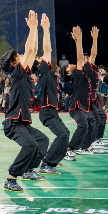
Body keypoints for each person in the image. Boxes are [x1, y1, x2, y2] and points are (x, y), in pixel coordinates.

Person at [0, 10, 49, 192]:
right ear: (14, 64)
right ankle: (11, 178)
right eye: (17, 57)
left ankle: (28, 170)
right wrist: (33, 27)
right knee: (30, 145)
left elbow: (33, 50)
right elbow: (31, 50)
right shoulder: (17, 73)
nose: (21, 55)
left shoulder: (24, 74)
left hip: (24, 124)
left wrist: (37, 28)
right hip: (13, 124)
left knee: (42, 141)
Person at [35, 13, 70, 169]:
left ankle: (53, 159)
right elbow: (47, 48)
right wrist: (46, 28)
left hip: (52, 111)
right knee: (62, 135)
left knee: (65, 133)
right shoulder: (43, 71)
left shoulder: (48, 74)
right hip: (47, 112)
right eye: (39, 58)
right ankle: (47, 162)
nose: (42, 58)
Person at [65, 27, 93, 156]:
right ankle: (69, 149)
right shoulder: (76, 74)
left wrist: (94, 39)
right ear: (69, 72)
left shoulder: (82, 74)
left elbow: (90, 57)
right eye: (67, 67)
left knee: (88, 124)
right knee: (83, 125)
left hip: (82, 106)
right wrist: (79, 40)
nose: (70, 64)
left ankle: (81, 146)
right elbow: (80, 57)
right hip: (75, 107)